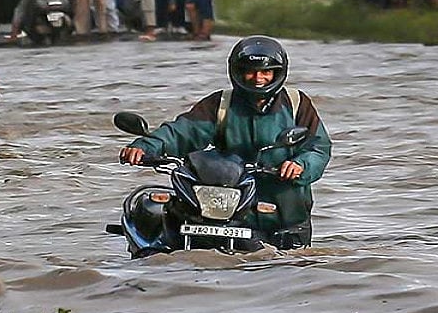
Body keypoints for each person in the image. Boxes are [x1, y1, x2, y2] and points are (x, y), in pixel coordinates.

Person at [119, 35, 332, 249]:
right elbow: (182, 132)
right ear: (237, 71)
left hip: (284, 210)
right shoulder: (221, 104)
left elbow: (318, 148)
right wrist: (145, 146)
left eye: (266, 72)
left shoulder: (297, 104)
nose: (258, 78)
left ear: (277, 73)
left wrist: (300, 165)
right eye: (250, 71)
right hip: (227, 205)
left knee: (291, 265)